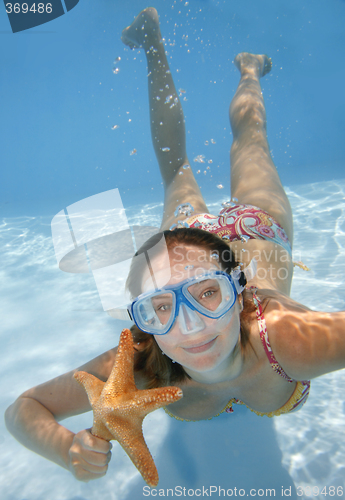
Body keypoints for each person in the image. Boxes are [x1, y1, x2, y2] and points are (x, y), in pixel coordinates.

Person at [5, 6, 345, 484]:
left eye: (210, 294)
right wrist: (65, 449)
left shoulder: (288, 342)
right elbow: (25, 408)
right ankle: (152, 42)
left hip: (252, 232)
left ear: (242, 294)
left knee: (241, 141)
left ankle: (249, 69)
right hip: (206, 238)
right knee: (180, 164)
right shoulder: (143, 361)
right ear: (140, 319)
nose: (189, 327)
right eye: (159, 308)